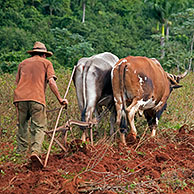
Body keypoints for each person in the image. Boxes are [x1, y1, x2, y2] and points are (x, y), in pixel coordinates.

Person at [13, 41, 68, 167]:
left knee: (22, 126)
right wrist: (60, 99)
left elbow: (17, 83)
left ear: (33, 53)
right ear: (44, 54)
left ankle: (20, 154)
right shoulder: (46, 63)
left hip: (20, 99)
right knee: (39, 127)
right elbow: (51, 82)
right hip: (37, 99)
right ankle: (35, 152)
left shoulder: (23, 63)